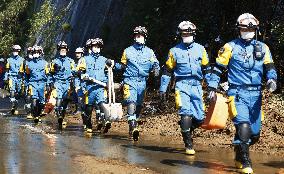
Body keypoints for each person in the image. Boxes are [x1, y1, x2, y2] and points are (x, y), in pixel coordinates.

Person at [208, 13, 277, 174]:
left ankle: (239, 150)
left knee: (254, 135)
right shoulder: (230, 47)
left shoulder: (264, 48)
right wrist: (211, 88)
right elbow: (218, 68)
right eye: (244, 28)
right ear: (238, 29)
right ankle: (246, 163)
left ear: (256, 29)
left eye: (251, 28)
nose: (248, 31)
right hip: (237, 93)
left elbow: (270, 67)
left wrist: (272, 80)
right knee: (243, 126)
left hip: (256, 95)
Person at [159, 21, 211, 155]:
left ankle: (186, 128)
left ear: (194, 34)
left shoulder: (201, 49)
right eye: (184, 33)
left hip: (197, 86)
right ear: (180, 34)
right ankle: (188, 145)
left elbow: (207, 69)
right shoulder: (174, 51)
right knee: (186, 114)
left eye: (189, 33)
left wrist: (212, 87)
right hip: (182, 85)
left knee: (200, 118)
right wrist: (162, 89)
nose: (186, 35)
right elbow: (167, 71)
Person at [113, 26, 160, 141]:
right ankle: (133, 126)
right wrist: (113, 65)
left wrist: (156, 70)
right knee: (131, 102)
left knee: (139, 105)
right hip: (130, 80)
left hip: (142, 82)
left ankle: (133, 126)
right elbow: (122, 66)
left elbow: (155, 64)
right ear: (134, 37)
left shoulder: (150, 52)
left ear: (145, 37)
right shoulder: (127, 51)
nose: (139, 37)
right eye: (137, 35)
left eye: (141, 35)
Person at [77, 38, 112, 133]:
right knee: (89, 108)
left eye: (98, 47)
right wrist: (82, 74)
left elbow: (111, 68)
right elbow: (79, 71)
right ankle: (88, 125)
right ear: (91, 48)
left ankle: (106, 120)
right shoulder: (84, 59)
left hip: (101, 87)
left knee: (102, 104)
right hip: (90, 87)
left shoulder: (104, 60)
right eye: (95, 47)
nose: (96, 49)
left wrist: (112, 64)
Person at [50, 41, 76, 128]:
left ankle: (61, 118)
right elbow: (50, 73)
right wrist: (50, 83)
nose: (63, 50)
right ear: (58, 50)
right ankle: (58, 114)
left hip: (68, 84)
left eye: (64, 49)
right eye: (61, 49)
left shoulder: (71, 61)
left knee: (65, 102)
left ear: (67, 50)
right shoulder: (54, 61)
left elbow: (75, 72)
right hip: (58, 82)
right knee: (59, 99)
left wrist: (74, 82)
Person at [25, 46, 50, 123]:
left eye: (37, 52)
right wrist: (27, 84)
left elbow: (48, 75)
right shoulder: (28, 64)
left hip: (42, 83)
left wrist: (48, 84)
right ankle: (35, 115)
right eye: (34, 52)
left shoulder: (45, 63)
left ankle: (38, 114)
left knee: (42, 102)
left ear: (40, 53)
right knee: (34, 100)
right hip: (33, 83)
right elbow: (27, 75)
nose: (36, 53)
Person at [5, 45, 25, 114]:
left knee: (18, 93)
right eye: (14, 50)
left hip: (19, 78)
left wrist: (24, 78)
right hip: (11, 77)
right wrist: (5, 78)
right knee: (12, 91)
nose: (15, 52)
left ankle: (15, 106)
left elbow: (25, 70)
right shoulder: (9, 59)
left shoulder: (22, 60)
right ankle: (13, 106)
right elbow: (7, 69)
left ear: (19, 51)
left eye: (16, 50)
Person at [23, 47, 34, 119]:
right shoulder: (25, 61)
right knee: (28, 97)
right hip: (28, 81)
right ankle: (29, 112)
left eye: (31, 52)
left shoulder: (37, 61)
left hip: (38, 82)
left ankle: (36, 111)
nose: (30, 53)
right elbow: (24, 72)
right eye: (29, 52)